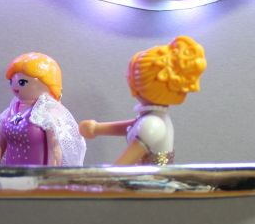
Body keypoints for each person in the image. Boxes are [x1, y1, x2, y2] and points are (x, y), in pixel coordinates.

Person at [79, 35, 206, 165]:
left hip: (151, 178)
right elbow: (132, 126)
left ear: (141, 86)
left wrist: (103, 175)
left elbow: (120, 166)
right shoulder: (153, 119)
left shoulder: (152, 124)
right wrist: (98, 128)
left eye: (132, 78)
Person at [0, 52, 85, 166]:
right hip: (11, 174)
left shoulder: (47, 113)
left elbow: (55, 150)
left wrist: (50, 175)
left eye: (22, 82)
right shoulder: (13, 109)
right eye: (12, 82)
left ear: (47, 84)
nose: (15, 87)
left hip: (37, 175)